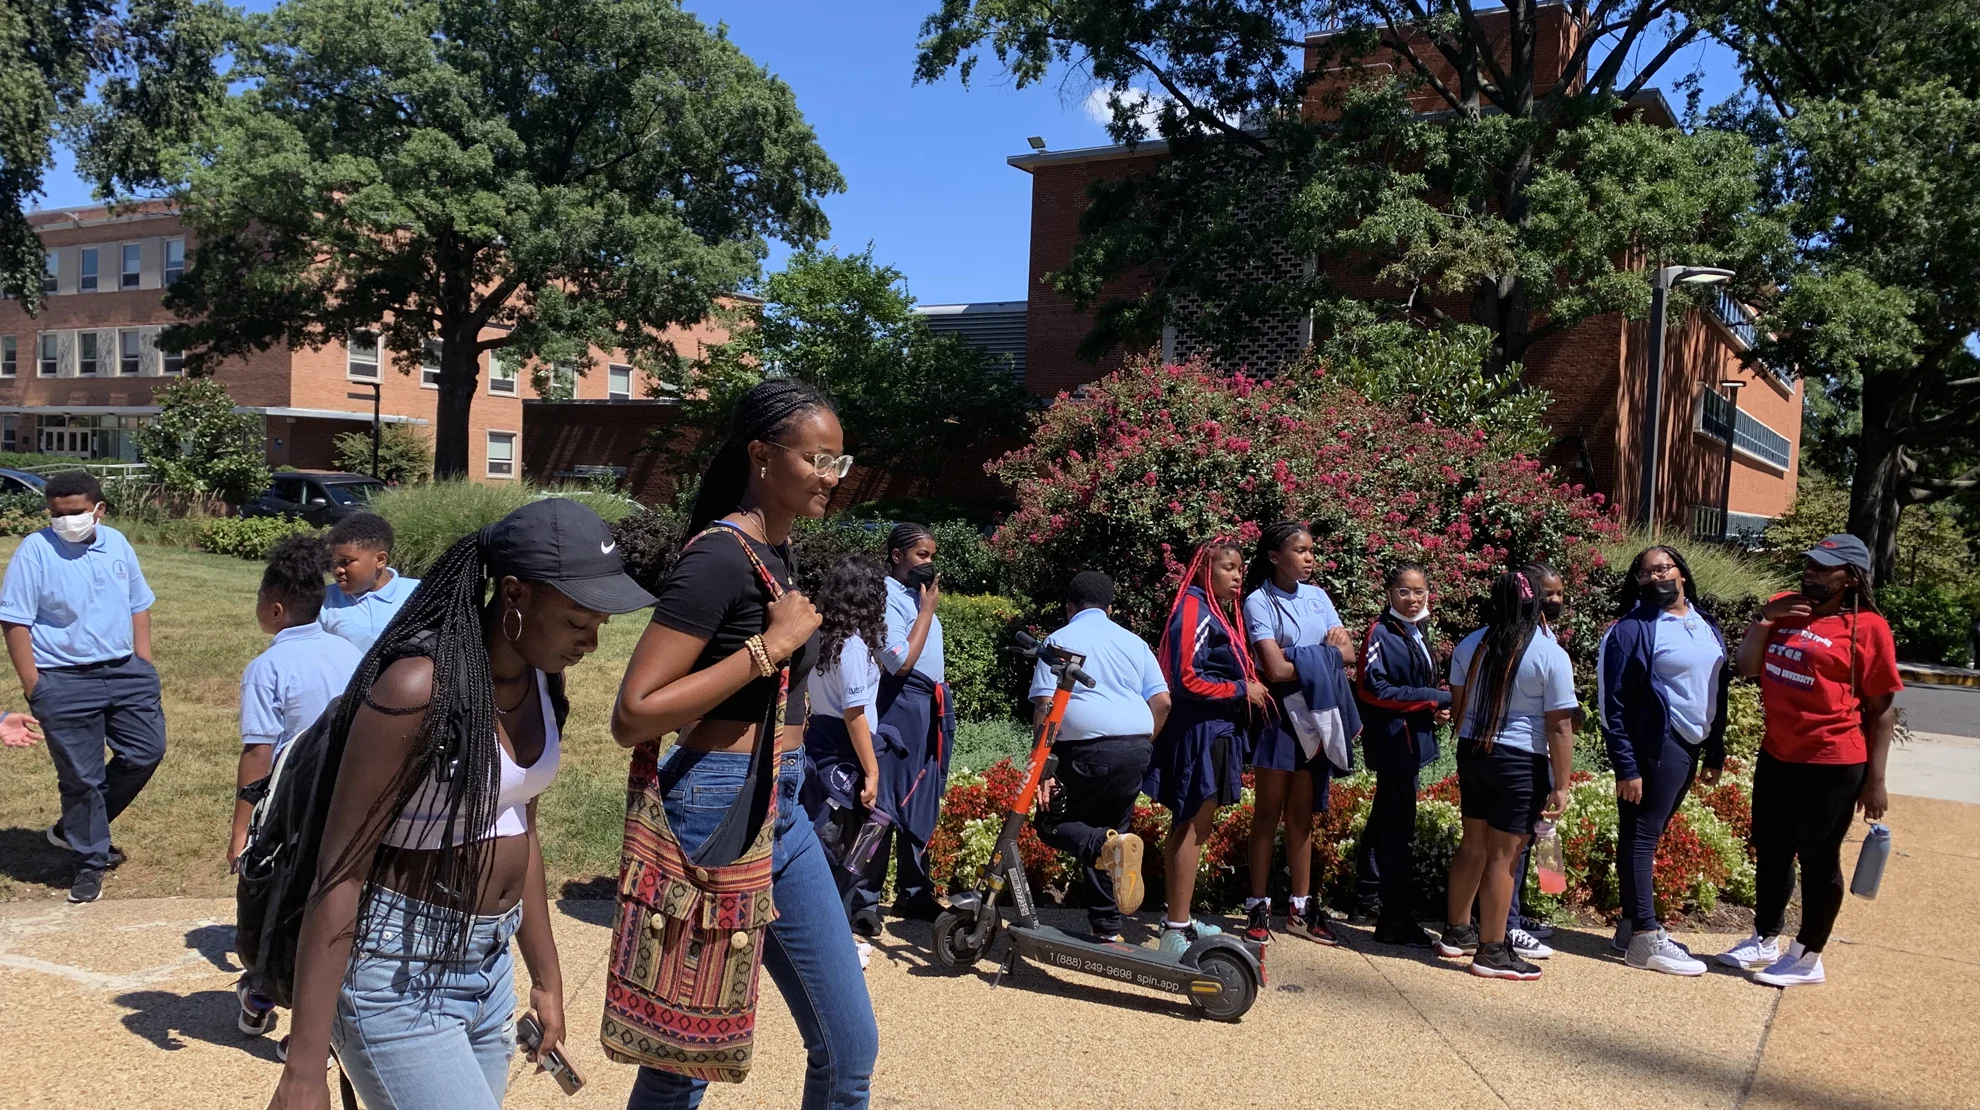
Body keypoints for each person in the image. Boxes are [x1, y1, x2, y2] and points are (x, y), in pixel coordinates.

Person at [267, 498, 652, 1110]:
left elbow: (520, 823)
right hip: (398, 971)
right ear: (516, 594)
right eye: (579, 620)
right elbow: (339, 872)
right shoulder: (418, 687)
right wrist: (305, 1067)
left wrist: (546, 978)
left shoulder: (540, 681)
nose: (592, 643)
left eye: (600, 625)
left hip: (489, 968)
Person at [611, 379, 877, 1110]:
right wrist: (768, 648)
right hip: (714, 807)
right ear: (762, 454)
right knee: (683, 1056)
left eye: (839, 462)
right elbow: (634, 714)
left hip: (781, 809)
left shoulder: (778, 555)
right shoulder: (719, 558)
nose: (831, 477)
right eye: (818, 459)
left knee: (850, 1046)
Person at [1717, 534, 1900, 988]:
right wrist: (1764, 620)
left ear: (1850, 577)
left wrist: (1875, 781)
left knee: (1818, 857)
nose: (1811, 572)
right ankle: (1765, 938)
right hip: (1778, 752)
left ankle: (1808, 955)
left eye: (1823, 567)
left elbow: (1881, 709)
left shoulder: (1868, 628)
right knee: (1772, 849)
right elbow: (1747, 666)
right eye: (1810, 564)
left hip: (1833, 760)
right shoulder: (1783, 608)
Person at [0, 469, 165, 904]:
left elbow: (138, 604)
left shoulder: (118, 544)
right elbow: (15, 620)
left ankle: (72, 829)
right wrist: (35, 686)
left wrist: (143, 663)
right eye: (57, 514)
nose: (66, 521)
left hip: (125, 671)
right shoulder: (35, 551)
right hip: (62, 678)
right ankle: (89, 860)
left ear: (98, 510)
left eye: (75, 513)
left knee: (146, 752)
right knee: (81, 778)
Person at [229, 535, 364, 1039]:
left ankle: (262, 997)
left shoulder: (267, 667)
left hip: (290, 809)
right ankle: (319, 1024)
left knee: (276, 908)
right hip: (347, 796)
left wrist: (240, 831)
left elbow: (259, 753)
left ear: (277, 608)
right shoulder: (347, 651)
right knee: (331, 910)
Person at [1437, 568, 1576, 980]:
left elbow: (1459, 709)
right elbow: (1559, 726)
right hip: (1520, 760)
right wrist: (1562, 785)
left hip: (1474, 751)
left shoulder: (1471, 643)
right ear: (1537, 604)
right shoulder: (1550, 654)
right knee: (1504, 856)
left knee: (1473, 845)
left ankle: (1457, 931)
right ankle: (1492, 951)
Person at [1598, 546, 1730, 976]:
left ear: (1682, 574)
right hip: (1656, 745)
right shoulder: (1631, 630)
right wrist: (1627, 766)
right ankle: (1645, 940)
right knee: (1641, 837)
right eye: (1646, 573)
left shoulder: (1704, 623)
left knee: (1645, 835)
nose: (1656, 578)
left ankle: (1630, 926)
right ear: (1638, 582)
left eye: (1663, 569)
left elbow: (1718, 687)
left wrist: (1715, 749)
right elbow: (1611, 704)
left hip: (1693, 744)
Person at [1030, 570, 1171, 942]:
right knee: (1111, 831)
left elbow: (1045, 706)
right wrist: (1140, 743)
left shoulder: (1060, 640)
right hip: (1136, 747)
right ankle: (1107, 927)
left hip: (1084, 751)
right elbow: (1162, 701)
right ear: (1110, 608)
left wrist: (1042, 767)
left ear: (1069, 607)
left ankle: (1105, 849)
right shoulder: (1134, 642)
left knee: (1050, 825)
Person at [1145, 539, 1266, 955]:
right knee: (1191, 825)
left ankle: (1179, 915)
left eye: (1239, 569)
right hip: (1200, 733)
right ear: (1202, 571)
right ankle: (1175, 926)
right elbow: (1185, 678)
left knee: (1197, 826)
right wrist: (1240, 688)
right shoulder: (1195, 609)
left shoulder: (1214, 611)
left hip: (1217, 731)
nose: (1237, 577)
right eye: (1228, 568)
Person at [1239, 520, 1354, 946]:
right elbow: (1275, 670)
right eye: (1300, 551)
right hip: (1278, 717)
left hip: (1318, 713)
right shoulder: (1258, 602)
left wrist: (1303, 655)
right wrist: (1322, 653)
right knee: (1268, 812)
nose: (1309, 559)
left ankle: (1301, 908)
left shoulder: (1319, 597)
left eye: (1311, 551)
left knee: (1302, 814)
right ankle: (1257, 905)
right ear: (1274, 556)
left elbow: (1348, 653)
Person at [1352, 563, 1452, 948]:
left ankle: (1368, 897)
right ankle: (1394, 919)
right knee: (1397, 830)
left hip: (1414, 739)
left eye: (1420, 592)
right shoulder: (1381, 632)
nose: (1413, 600)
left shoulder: (1417, 631)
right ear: (1389, 593)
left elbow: (1418, 685)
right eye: (1405, 592)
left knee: (1385, 820)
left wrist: (1434, 707)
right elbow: (1371, 688)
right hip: (1395, 742)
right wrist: (1436, 699)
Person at [800, 553, 889, 962]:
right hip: (847, 752)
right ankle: (833, 940)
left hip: (820, 743)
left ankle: (825, 931)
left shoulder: (822, 641)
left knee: (832, 842)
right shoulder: (852, 647)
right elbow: (855, 713)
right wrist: (872, 771)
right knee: (851, 846)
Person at [868, 521, 954, 923]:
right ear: (897, 556)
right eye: (922, 555)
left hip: (928, 704)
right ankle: (864, 896)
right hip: (899, 704)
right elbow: (898, 660)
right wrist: (927, 611)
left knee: (920, 795)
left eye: (932, 556)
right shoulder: (888, 596)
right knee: (886, 799)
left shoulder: (917, 597)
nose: (929, 563)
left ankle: (915, 889)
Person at [319, 513, 421, 653]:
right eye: (333, 563)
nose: (337, 570)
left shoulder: (419, 593)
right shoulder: (323, 601)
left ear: (380, 560)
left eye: (346, 562)